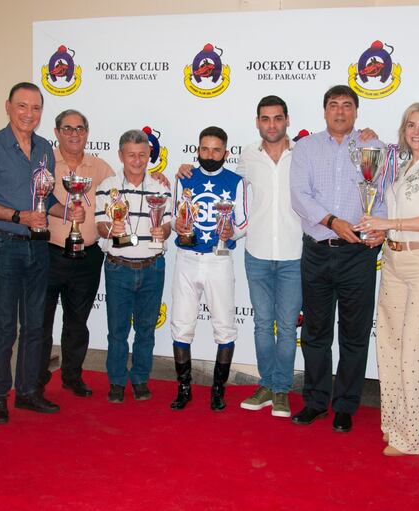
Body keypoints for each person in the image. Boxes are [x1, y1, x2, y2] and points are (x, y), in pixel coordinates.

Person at [0, 82, 84, 425]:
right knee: (5, 326)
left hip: (39, 245)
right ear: (8, 107)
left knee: (36, 325)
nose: (29, 114)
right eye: (22, 106)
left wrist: (67, 211)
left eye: (35, 108)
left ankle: (29, 391)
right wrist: (18, 216)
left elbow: (44, 199)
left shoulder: (45, 148)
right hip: (4, 244)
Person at [289, 85, 386, 433]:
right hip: (317, 251)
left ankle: (345, 405)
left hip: (359, 255)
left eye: (347, 105)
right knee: (315, 332)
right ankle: (315, 401)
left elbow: (383, 197)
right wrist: (333, 221)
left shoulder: (373, 147)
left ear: (356, 111)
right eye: (334, 105)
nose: (340, 111)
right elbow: (299, 196)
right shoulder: (306, 148)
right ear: (324, 111)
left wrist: (381, 230)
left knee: (355, 334)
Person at [361, 102, 419, 454]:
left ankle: (410, 436)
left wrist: (387, 224)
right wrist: (380, 233)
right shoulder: (403, 167)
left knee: (416, 351)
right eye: (411, 125)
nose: (416, 131)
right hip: (395, 261)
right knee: (390, 347)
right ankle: (394, 422)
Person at [230, 95, 302, 418]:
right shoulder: (246, 157)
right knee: (262, 324)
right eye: (265, 119)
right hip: (256, 253)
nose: (271, 125)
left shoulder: (303, 155)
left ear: (287, 120)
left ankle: (282, 389)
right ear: (257, 122)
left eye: (277, 118)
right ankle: (266, 384)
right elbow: (225, 190)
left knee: (287, 328)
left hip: (294, 255)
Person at [169, 126, 248, 412]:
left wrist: (231, 231)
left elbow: (243, 223)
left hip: (219, 259)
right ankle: (184, 388)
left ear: (226, 153)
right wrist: (177, 225)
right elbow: (174, 215)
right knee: (181, 323)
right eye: (204, 149)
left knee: (225, 327)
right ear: (197, 150)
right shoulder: (184, 177)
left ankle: (218, 390)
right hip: (187, 258)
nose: (209, 155)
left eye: (216, 150)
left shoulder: (237, 181)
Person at [38, 109, 114, 398]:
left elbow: (123, 193)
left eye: (79, 128)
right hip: (49, 253)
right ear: (57, 132)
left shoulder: (101, 167)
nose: (74, 134)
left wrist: (156, 176)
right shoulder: (43, 165)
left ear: (87, 132)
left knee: (77, 321)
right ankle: (36, 377)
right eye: (67, 128)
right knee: (41, 321)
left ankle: (72, 376)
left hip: (88, 257)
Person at [95, 129, 172, 403]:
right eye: (131, 155)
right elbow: (100, 226)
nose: (137, 160)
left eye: (142, 155)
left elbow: (168, 224)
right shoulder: (107, 186)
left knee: (146, 330)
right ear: (121, 155)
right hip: (118, 267)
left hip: (153, 267)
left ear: (150, 154)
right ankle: (116, 381)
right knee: (117, 330)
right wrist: (111, 228)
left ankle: (140, 378)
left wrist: (163, 230)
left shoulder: (161, 187)